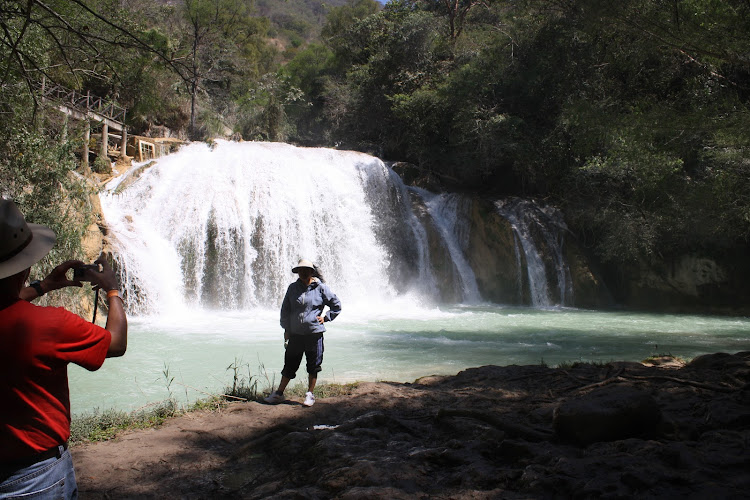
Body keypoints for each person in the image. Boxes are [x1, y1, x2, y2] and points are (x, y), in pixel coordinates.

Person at [0, 199, 127, 499]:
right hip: (36, 477)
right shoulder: (49, 325)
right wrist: (112, 289)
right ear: (24, 266)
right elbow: (116, 343)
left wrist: (42, 287)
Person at [264, 259, 341, 407]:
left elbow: (336, 305)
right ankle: (279, 394)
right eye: (300, 270)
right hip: (296, 334)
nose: (303, 272)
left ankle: (310, 395)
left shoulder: (321, 288)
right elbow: (285, 310)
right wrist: (286, 328)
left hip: (314, 333)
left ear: (312, 272)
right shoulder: (292, 288)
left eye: (306, 270)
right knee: (289, 364)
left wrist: (326, 318)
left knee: (313, 365)